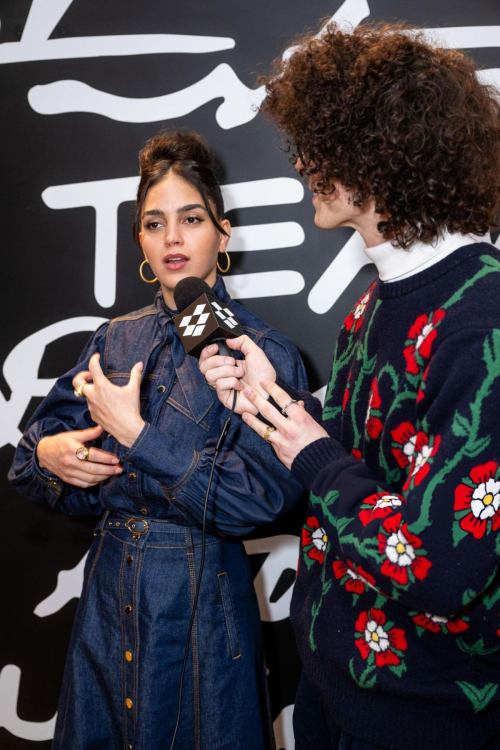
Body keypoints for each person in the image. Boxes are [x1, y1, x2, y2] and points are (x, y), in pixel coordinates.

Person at [199, 22, 500, 750]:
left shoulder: (484, 322)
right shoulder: (377, 300)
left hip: (425, 718)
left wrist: (309, 449)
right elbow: (370, 443)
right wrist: (273, 404)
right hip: (334, 690)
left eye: (320, 144)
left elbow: (441, 565)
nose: (303, 163)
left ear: (380, 154)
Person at [8, 130, 308, 750]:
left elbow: (260, 501)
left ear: (222, 235)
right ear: (140, 241)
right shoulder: (114, 339)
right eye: (154, 223)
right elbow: (27, 462)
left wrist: (137, 437)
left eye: (191, 219)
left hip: (204, 608)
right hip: (107, 602)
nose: (173, 238)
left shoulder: (262, 352)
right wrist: (51, 458)